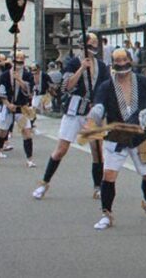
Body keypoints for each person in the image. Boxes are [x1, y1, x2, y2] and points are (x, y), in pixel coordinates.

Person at [87, 47, 146, 230]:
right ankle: (106, 213)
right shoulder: (106, 86)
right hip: (116, 137)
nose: (121, 64)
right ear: (112, 63)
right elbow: (99, 103)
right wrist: (96, 112)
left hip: (140, 136)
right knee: (109, 175)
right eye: (117, 61)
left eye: (124, 59)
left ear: (131, 60)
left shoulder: (144, 82)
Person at [32, 33, 111, 200]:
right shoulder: (73, 62)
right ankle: (44, 183)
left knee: (97, 151)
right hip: (74, 110)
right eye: (91, 44)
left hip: (92, 112)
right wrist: (82, 68)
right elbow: (66, 86)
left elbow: (105, 88)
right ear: (82, 45)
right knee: (61, 149)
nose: (94, 48)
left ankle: (98, 186)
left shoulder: (102, 66)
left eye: (96, 44)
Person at [0, 51, 35, 167]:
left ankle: (30, 159)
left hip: (22, 108)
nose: (19, 62)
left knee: (27, 132)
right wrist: (8, 104)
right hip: (8, 107)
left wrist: (19, 79)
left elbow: (29, 91)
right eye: (16, 60)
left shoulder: (27, 75)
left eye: (21, 60)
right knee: (1, 133)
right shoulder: (4, 75)